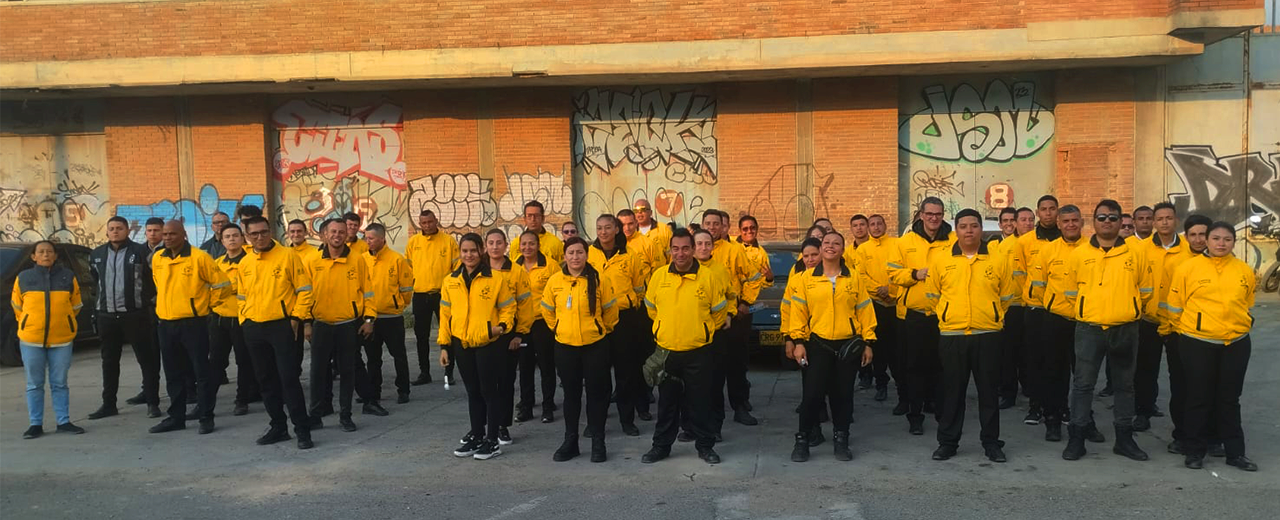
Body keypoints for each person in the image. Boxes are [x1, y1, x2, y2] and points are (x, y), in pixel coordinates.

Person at [1060, 199, 1153, 462]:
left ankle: (1124, 439)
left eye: (1113, 217)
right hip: (1089, 329)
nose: (1107, 222)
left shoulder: (1135, 253)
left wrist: (1128, 309)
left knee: (1125, 385)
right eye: (1102, 217)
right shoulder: (1079, 254)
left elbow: (1146, 290)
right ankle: (1077, 438)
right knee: (1082, 385)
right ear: (1094, 222)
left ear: (1121, 221)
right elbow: (1070, 292)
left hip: (1125, 328)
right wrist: (1088, 310)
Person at [1164, 221, 1258, 472]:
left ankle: (1235, 453)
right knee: (1198, 397)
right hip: (1198, 342)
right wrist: (1191, 330)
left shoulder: (1243, 270)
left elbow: (1247, 302)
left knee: (1229, 399)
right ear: (1206, 241)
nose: (1221, 244)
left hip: (1236, 343)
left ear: (1234, 242)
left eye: (1227, 239)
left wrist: (1241, 325)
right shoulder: (1188, 268)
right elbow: (1175, 306)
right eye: (1216, 238)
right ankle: (1194, 451)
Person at [923, 209, 1013, 462]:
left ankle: (991, 443)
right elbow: (932, 296)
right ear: (956, 231)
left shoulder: (997, 259)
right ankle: (948, 443)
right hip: (952, 334)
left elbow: (1006, 296)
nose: (969, 231)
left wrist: (992, 315)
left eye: (974, 226)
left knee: (988, 392)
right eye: (963, 226)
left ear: (981, 229)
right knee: (952, 392)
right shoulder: (941, 260)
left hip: (988, 334)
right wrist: (948, 316)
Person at [788, 231, 876, 462]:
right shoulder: (806, 279)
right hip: (818, 344)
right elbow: (798, 313)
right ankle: (802, 440)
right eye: (826, 242)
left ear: (842, 249)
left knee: (843, 396)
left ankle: (841, 440)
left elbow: (865, 312)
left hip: (847, 346)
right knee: (812, 395)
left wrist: (868, 342)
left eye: (836, 243)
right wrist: (798, 342)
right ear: (821, 248)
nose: (830, 246)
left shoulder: (854, 278)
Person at [640, 228, 726, 465]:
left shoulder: (708, 277)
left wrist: (702, 330)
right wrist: (663, 329)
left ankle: (705, 446)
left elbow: (719, 313)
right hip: (667, 351)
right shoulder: (659, 276)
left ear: (693, 249)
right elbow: (651, 308)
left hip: (698, 351)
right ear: (670, 250)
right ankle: (661, 446)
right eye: (675, 249)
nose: (680, 253)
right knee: (667, 403)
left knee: (701, 402)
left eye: (686, 248)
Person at [235, 216, 316, 449]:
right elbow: (241, 295)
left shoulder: (288, 256)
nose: (259, 237)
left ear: (270, 231)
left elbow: (305, 290)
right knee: (265, 380)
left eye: (263, 232)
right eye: (254, 234)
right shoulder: (245, 263)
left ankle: (302, 430)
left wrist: (296, 318)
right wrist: (244, 319)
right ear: (247, 236)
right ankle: (278, 427)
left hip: (282, 326)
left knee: (288, 379)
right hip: (253, 327)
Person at [1027, 205, 1104, 445]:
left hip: (1085, 321)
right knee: (1053, 373)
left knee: (1084, 376)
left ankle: (1084, 421)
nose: (1071, 224)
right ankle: (1052, 419)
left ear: (1082, 223)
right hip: (1055, 319)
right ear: (1059, 224)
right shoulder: (1048, 251)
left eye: (1075, 220)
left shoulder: (1094, 249)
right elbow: (1038, 285)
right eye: (1066, 221)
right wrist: (1053, 304)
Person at [149, 220, 232, 435]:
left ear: (183, 234)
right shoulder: (158, 258)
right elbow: (158, 284)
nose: (167, 238)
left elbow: (222, 285)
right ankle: (176, 417)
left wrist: (207, 305)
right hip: (166, 323)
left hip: (193, 324)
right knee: (173, 374)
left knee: (201, 372)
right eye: (165, 234)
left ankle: (206, 416)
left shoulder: (199, 257)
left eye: (172, 234)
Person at [541, 237, 619, 462]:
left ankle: (598, 441)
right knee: (571, 395)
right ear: (565, 256)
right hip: (566, 347)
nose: (575, 257)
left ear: (586, 255)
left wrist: (600, 329)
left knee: (596, 395)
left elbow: (611, 312)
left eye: (580, 252)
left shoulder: (600, 279)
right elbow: (547, 310)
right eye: (571, 253)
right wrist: (558, 328)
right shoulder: (555, 281)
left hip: (595, 345)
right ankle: (571, 441)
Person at [442, 233, 517, 461]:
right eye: (464, 251)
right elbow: (445, 315)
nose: (469, 255)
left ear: (481, 250)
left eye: (473, 250)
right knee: (472, 391)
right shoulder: (450, 281)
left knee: (489, 391)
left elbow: (508, 308)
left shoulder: (495, 279)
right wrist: (444, 345)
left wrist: (501, 327)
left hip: (487, 342)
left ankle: (492, 440)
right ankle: (476, 435)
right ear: (459, 253)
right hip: (461, 343)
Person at [305, 218, 383, 432]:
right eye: (333, 231)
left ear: (346, 235)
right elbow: (304, 295)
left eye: (341, 232)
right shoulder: (312, 261)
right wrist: (306, 323)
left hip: (348, 325)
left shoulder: (357, 260)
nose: (337, 235)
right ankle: (315, 415)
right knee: (317, 372)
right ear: (324, 234)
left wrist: (369, 320)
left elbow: (368, 292)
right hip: (321, 324)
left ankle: (346, 416)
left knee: (348, 372)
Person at [888, 196, 956, 436]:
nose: (934, 218)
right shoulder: (904, 242)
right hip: (915, 316)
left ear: (943, 215)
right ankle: (915, 416)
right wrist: (915, 274)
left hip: (944, 316)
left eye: (938, 214)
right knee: (914, 368)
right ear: (921, 214)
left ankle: (941, 413)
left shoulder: (954, 241)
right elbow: (893, 274)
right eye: (929, 214)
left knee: (942, 368)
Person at [87, 216, 162, 420]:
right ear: (106, 231)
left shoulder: (141, 252)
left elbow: (153, 280)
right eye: (111, 228)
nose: (115, 231)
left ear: (127, 230)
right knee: (109, 362)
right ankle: (109, 404)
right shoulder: (96, 254)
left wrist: (147, 301)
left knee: (147, 359)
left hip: (136, 315)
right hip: (107, 316)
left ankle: (152, 402)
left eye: (119, 228)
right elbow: (96, 279)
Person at [12, 241, 87, 439]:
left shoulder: (67, 277)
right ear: (33, 256)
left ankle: (63, 421)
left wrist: (64, 321)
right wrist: (29, 323)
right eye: (41, 252)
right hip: (31, 340)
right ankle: (35, 424)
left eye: (49, 251)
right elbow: (17, 307)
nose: (46, 255)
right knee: (34, 384)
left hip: (61, 340)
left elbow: (76, 305)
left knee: (59, 383)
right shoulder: (23, 278)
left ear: (55, 255)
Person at [588, 214, 647, 437]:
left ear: (616, 230)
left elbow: (639, 288)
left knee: (626, 373)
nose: (603, 232)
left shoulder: (630, 255)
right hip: (598, 319)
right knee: (598, 375)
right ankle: (595, 422)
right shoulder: (588, 254)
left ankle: (627, 420)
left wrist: (632, 304)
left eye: (607, 227)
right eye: (599, 228)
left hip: (624, 320)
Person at [1133, 202, 1189, 432]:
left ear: (1176, 220)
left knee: (1179, 374)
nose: (1165, 222)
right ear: (1154, 222)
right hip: (1149, 319)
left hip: (1178, 323)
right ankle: (1143, 412)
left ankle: (1182, 424)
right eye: (1160, 218)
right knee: (1145, 370)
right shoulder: (1141, 249)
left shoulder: (1188, 249)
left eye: (1169, 218)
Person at [1160, 214, 1213, 456]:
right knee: (1181, 388)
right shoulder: (1176, 262)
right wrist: (1168, 329)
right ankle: (1181, 434)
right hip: (1179, 335)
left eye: (1203, 234)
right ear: (1186, 236)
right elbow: (1168, 300)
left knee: (1209, 388)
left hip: (1211, 336)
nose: (1199, 239)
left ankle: (1211, 435)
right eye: (1193, 235)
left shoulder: (1224, 262)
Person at [703, 210, 761, 426]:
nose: (712, 227)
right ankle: (710, 413)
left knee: (736, 365)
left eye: (716, 223)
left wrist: (745, 302)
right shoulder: (696, 250)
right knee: (710, 370)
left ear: (723, 226)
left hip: (734, 318)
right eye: (708, 223)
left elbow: (754, 277)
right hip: (705, 320)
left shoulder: (734, 250)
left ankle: (740, 406)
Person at [681, 228, 738, 443]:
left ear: (713, 247)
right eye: (699, 244)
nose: (703, 248)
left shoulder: (720, 270)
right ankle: (689, 426)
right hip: (688, 334)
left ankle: (714, 426)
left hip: (715, 334)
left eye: (707, 243)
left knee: (714, 383)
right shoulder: (681, 269)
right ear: (692, 247)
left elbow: (731, 296)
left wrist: (730, 314)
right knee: (688, 384)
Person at [1015, 195, 1061, 425]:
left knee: (1060, 362)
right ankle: (1035, 406)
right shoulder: (1025, 242)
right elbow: (1020, 275)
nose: (1048, 213)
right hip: (1035, 309)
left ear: (1057, 211)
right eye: (1044, 209)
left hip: (1063, 311)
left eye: (1052, 208)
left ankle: (1061, 406)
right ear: (1038, 212)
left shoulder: (1067, 239)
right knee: (1034, 360)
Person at [406, 210, 460, 387]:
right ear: (419, 224)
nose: (427, 225)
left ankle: (449, 373)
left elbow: (457, 268)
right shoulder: (414, 242)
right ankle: (424, 372)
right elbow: (408, 267)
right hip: (420, 295)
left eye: (430, 222)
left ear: (436, 221)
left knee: (447, 333)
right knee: (421, 335)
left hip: (442, 295)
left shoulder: (448, 241)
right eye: (424, 223)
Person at [209, 224, 259, 417]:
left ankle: (242, 400)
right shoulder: (217, 263)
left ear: (242, 238)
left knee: (244, 362)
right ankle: (207, 403)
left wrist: (230, 288)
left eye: (235, 235)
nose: (231, 239)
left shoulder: (251, 261)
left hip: (242, 319)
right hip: (219, 318)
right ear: (222, 241)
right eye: (227, 236)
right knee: (215, 362)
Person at [485, 229, 529, 445]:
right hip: (482, 334)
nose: (495, 247)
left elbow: (525, 306)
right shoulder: (478, 269)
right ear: (485, 246)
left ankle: (502, 425)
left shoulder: (517, 271)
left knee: (505, 382)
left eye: (499, 243)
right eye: (491, 243)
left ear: (506, 245)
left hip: (507, 334)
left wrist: (519, 334)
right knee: (484, 383)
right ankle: (483, 425)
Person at [362, 223, 412, 411]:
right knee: (372, 358)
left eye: (371, 238)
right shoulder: (362, 259)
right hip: (370, 318)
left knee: (398, 355)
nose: (368, 241)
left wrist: (398, 304)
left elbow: (406, 288)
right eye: (366, 238)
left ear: (382, 239)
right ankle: (373, 392)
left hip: (392, 316)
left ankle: (403, 390)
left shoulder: (397, 259)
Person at [855, 214, 900, 405]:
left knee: (898, 349)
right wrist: (879, 290)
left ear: (885, 225)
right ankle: (881, 384)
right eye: (872, 224)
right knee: (879, 349)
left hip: (896, 303)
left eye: (879, 223)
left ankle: (903, 387)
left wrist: (891, 290)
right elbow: (861, 275)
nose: (876, 227)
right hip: (875, 304)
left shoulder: (897, 244)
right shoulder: (863, 249)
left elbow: (903, 269)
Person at [515, 231, 558, 424]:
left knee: (547, 366)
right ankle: (526, 405)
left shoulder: (550, 266)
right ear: (519, 246)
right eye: (524, 244)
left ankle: (548, 406)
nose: (527, 248)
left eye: (531, 244)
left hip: (543, 322)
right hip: (522, 324)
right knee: (524, 367)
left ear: (538, 245)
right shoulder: (513, 267)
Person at [992, 207, 1025, 409]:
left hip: (1023, 304)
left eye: (1012, 220)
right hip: (1002, 306)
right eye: (1005, 220)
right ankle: (1007, 391)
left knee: (1025, 352)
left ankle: (1028, 387)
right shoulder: (993, 245)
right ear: (1000, 224)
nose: (1009, 224)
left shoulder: (1024, 243)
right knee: (1006, 353)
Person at [633, 199, 672, 264]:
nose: (639, 213)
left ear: (650, 212)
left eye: (643, 210)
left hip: (661, 269)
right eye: (636, 211)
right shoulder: (631, 232)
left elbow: (671, 253)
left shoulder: (663, 229)